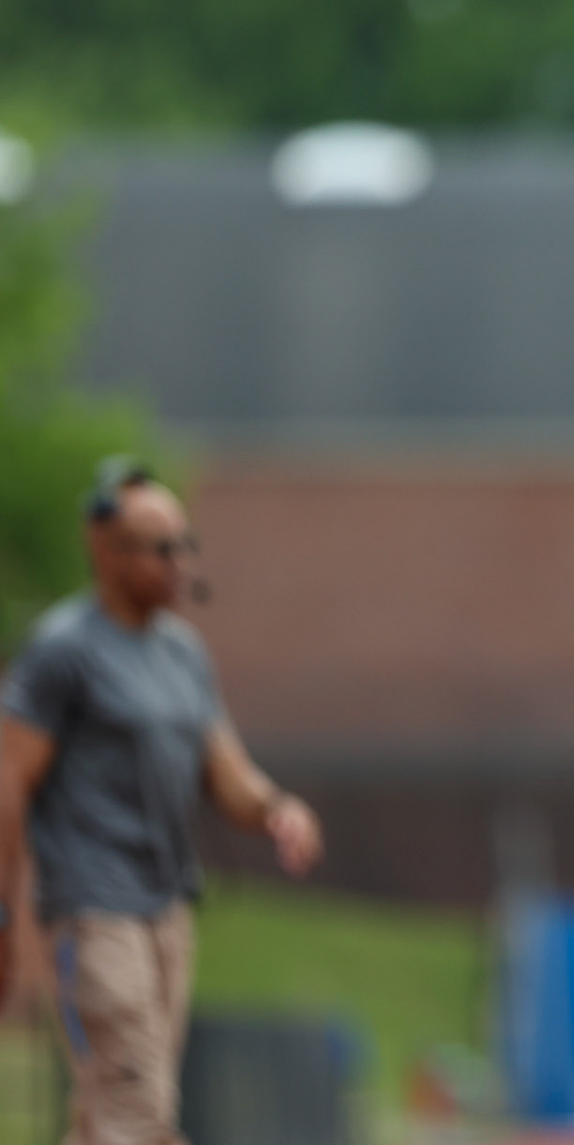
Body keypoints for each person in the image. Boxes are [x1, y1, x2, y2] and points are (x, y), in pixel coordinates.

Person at [0, 457, 325, 1145]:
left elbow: (224, 767)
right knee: (139, 1116)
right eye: (160, 548)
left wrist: (276, 808)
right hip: (93, 915)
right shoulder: (65, 653)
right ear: (105, 550)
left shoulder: (182, 653)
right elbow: (8, 781)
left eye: (185, 545)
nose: (179, 562)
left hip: (167, 911)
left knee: (103, 1116)